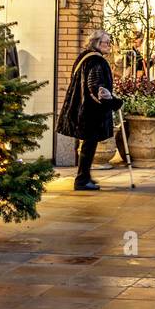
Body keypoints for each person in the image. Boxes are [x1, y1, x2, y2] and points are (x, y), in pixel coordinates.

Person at [57, 29, 124, 192]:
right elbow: (95, 86)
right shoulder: (96, 61)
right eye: (106, 42)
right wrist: (112, 101)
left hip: (83, 109)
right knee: (89, 145)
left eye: (109, 42)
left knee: (88, 144)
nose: (109, 45)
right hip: (90, 112)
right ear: (96, 43)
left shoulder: (84, 58)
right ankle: (82, 180)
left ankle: (84, 177)